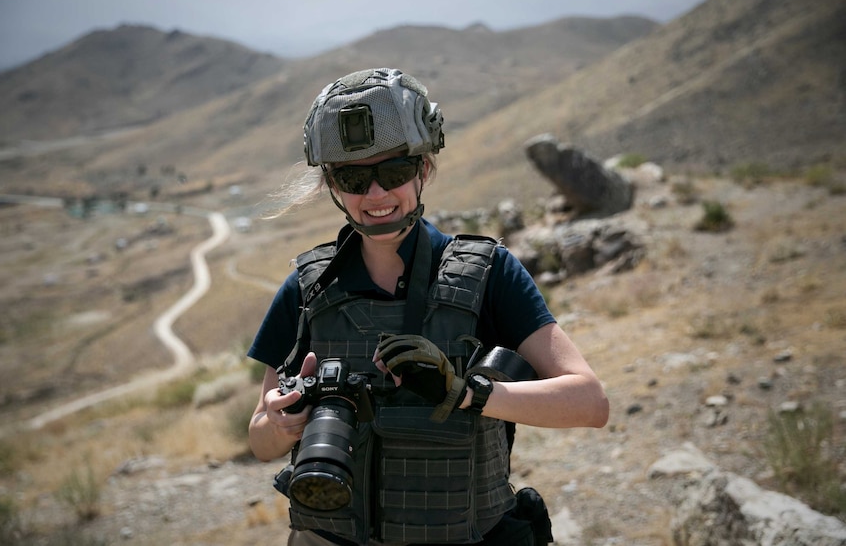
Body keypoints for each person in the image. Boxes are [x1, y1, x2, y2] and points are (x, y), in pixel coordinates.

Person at [247, 67, 609, 546]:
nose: (375, 195)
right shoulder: (307, 288)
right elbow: (259, 440)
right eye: (354, 177)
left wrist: (467, 394)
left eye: (393, 171)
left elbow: (590, 403)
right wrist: (280, 421)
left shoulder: (489, 274)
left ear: (424, 168)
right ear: (332, 185)